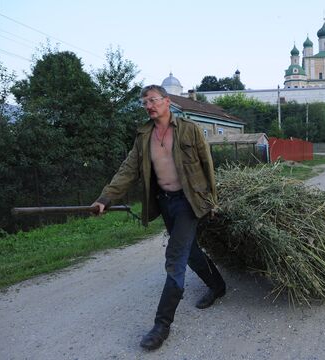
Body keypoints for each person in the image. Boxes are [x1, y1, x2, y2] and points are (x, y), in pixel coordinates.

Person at [91, 85, 226, 351]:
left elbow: (206, 166)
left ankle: (161, 325)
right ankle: (218, 286)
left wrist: (212, 201)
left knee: (175, 260)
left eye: (153, 100)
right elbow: (128, 170)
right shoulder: (144, 136)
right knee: (191, 251)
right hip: (166, 203)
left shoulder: (189, 129)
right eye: (145, 102)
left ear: (166, 101)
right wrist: (105, 198)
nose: (149, 106)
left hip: (189, 201)